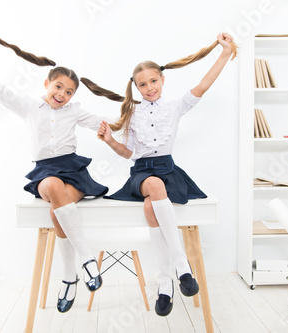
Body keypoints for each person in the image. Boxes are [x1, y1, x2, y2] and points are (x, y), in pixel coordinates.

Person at [94, 33, 237, 316]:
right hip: (143, 173)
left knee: (152, 206)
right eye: (142, 84)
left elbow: (204, 85)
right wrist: (110, 141)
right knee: (154, 186)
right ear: (135, 88)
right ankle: (182, 265)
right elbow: (129, 153)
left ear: (162, 80)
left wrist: (224, 53)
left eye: (153, 81)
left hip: (168, 170)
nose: (149, 88)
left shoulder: (175, 107)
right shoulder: (132, 112)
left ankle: (164, 281)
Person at [0, 30, 108, 313]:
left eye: (69, 92)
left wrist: (120, 122)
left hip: (74, 169)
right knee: (54, 190)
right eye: (58, 87)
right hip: (46, 171)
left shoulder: (75, 111)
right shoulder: (28, 107)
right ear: (47, 83)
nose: (62, 94)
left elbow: (104, 124)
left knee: (58, 210)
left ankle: (69, 278)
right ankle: (86, 258)